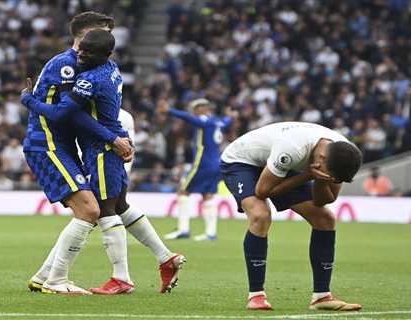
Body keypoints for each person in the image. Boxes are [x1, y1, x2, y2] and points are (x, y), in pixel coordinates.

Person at [22, 29, 186, 295]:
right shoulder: (111, 67)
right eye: (81, 49)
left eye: (88, 51)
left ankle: (120, 278)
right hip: (113, 139)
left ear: (106, 52)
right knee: (118, 204)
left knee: (101, 209)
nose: (81, 55)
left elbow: (65, 114)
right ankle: (165, 257)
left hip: (102, 146)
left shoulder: (88, 77)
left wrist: (28, 100)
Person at [23, 11, 133, 296]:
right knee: (91, 209)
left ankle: (44, 275)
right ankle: (56, 281)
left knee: (92, 208)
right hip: (46, 143)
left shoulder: (97, 66)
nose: (108, 36)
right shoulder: (68, 66)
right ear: (85, 34)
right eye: (103, 30)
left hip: (64, 145)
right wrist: (114, 138)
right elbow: (65, 115)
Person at [220, 122, 363, 311]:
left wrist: (320, 180)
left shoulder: (342, 153)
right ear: (321, 158)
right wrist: (306, 176)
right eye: (332, 177)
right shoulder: (292, 149)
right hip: (242, 161)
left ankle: (321, 297)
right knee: (261, 215)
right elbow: (262, 191)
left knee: (325, 219)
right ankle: (256, 296)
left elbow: (326, 199)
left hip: (283, 164)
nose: (334, 182)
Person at [157, 99, 235, 241]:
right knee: (208, 195)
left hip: (202, 163)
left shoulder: (203, 120)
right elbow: (227, 121)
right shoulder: (217, 122)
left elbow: (186, 117)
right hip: (217, 164)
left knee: (183, 191)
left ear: (201, 109)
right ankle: (210, 233)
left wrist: (169, 111)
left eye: (194, 108)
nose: (193, 112)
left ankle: (183, 230)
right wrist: (230, 116)